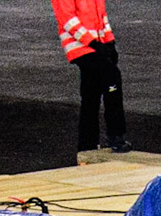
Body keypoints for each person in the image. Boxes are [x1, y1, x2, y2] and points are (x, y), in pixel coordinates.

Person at [52, 0, 129, 153]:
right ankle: (115, 135)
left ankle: (87, 144)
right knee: (111, 77)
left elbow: (101, 18)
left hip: (94, 45)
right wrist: (93, 43)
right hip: (81, 47)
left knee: (91, 95)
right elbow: (67, 19)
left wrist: (109, 41)